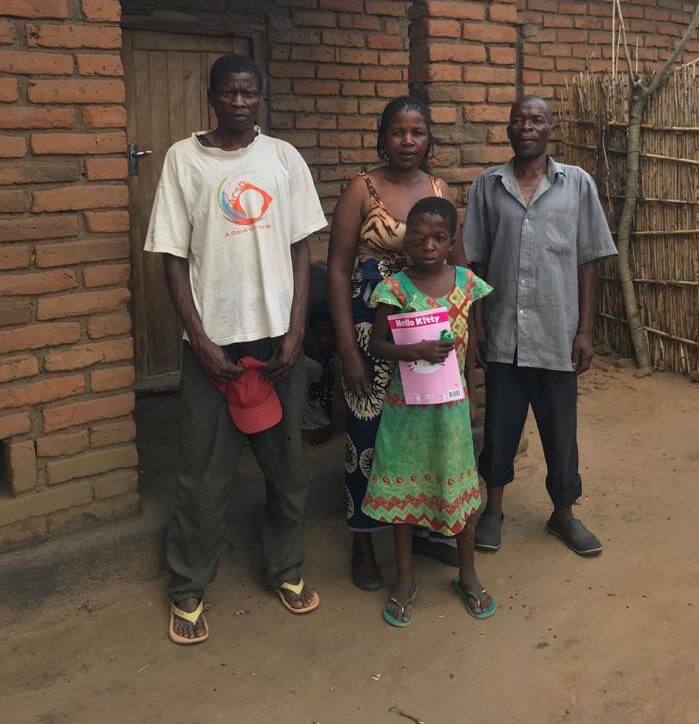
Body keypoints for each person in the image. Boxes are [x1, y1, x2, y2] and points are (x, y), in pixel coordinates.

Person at [144, 53, 327, 645]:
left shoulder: (282, 158)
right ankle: (188, 585)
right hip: (212, 343)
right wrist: (198, 339)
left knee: (288, 467)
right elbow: (173, 257)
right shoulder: (182, 159)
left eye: (250, 92)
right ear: (212, 95)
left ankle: (286, 568)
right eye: (230, 93)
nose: (241, 102)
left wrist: (297, 331)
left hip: (277, 342)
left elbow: (302, 249)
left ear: (260, 96)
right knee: (202, 472)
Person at [462, 96, 617, 557]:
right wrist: (478, 325)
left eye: (536, 120)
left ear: (551, 128)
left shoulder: (578, 185)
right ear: (508, 129)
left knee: (560, 433)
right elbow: (475, 262)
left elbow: (588, 260)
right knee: (499, 431)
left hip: (557, 335)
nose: (526, 126)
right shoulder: (488, 186)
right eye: (519, 119)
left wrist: (585, 330)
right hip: (505, 335)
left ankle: (563, 514)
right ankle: (493, 510)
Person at [327, 95, 463, 591]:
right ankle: (363, 541)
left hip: (427, 331)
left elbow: (459, 267)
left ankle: (422, 527)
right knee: (367, 436)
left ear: (429, 139)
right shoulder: (361, 189)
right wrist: (347, 351)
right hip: (372, 330)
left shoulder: (438, 188)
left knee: (421, 431)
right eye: (398, 132)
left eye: (418, 132)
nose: (408, 141)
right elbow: (339, 270)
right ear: (382, 135)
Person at [365, 197, 495, 626]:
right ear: (406, 243)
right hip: (405, 412)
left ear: (452, 241)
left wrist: (473, 402)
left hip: (452, 411)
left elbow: (473, 344)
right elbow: (377, 344)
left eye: (439, 238)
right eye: (418, 237)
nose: (428, 245)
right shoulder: (395, 288)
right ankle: (404, 578)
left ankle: (468, 575)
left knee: (459, 492)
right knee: (405, 492)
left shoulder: (467, 282)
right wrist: (415, 349)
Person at [302, 300, 336, 445]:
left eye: (330, 334)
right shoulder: (309, 358)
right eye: (318, 335)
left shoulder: (339, 360)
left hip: (328, 420)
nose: (324, 340)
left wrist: (330, 428)